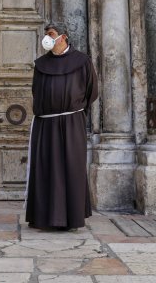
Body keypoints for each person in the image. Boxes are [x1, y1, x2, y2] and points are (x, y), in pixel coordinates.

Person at [25, 23, 99, 231]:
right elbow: (35, 91)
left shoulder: (82, 61)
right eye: (46, 35)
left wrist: (73, 108)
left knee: (70, 168)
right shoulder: (41, 64)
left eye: (51, 35)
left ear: (63, 37)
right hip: (45, 123)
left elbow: (91, 91)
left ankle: (71, 218)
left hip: (71, 122)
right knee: (45, 169)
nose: (46, 39)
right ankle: (43, 217)